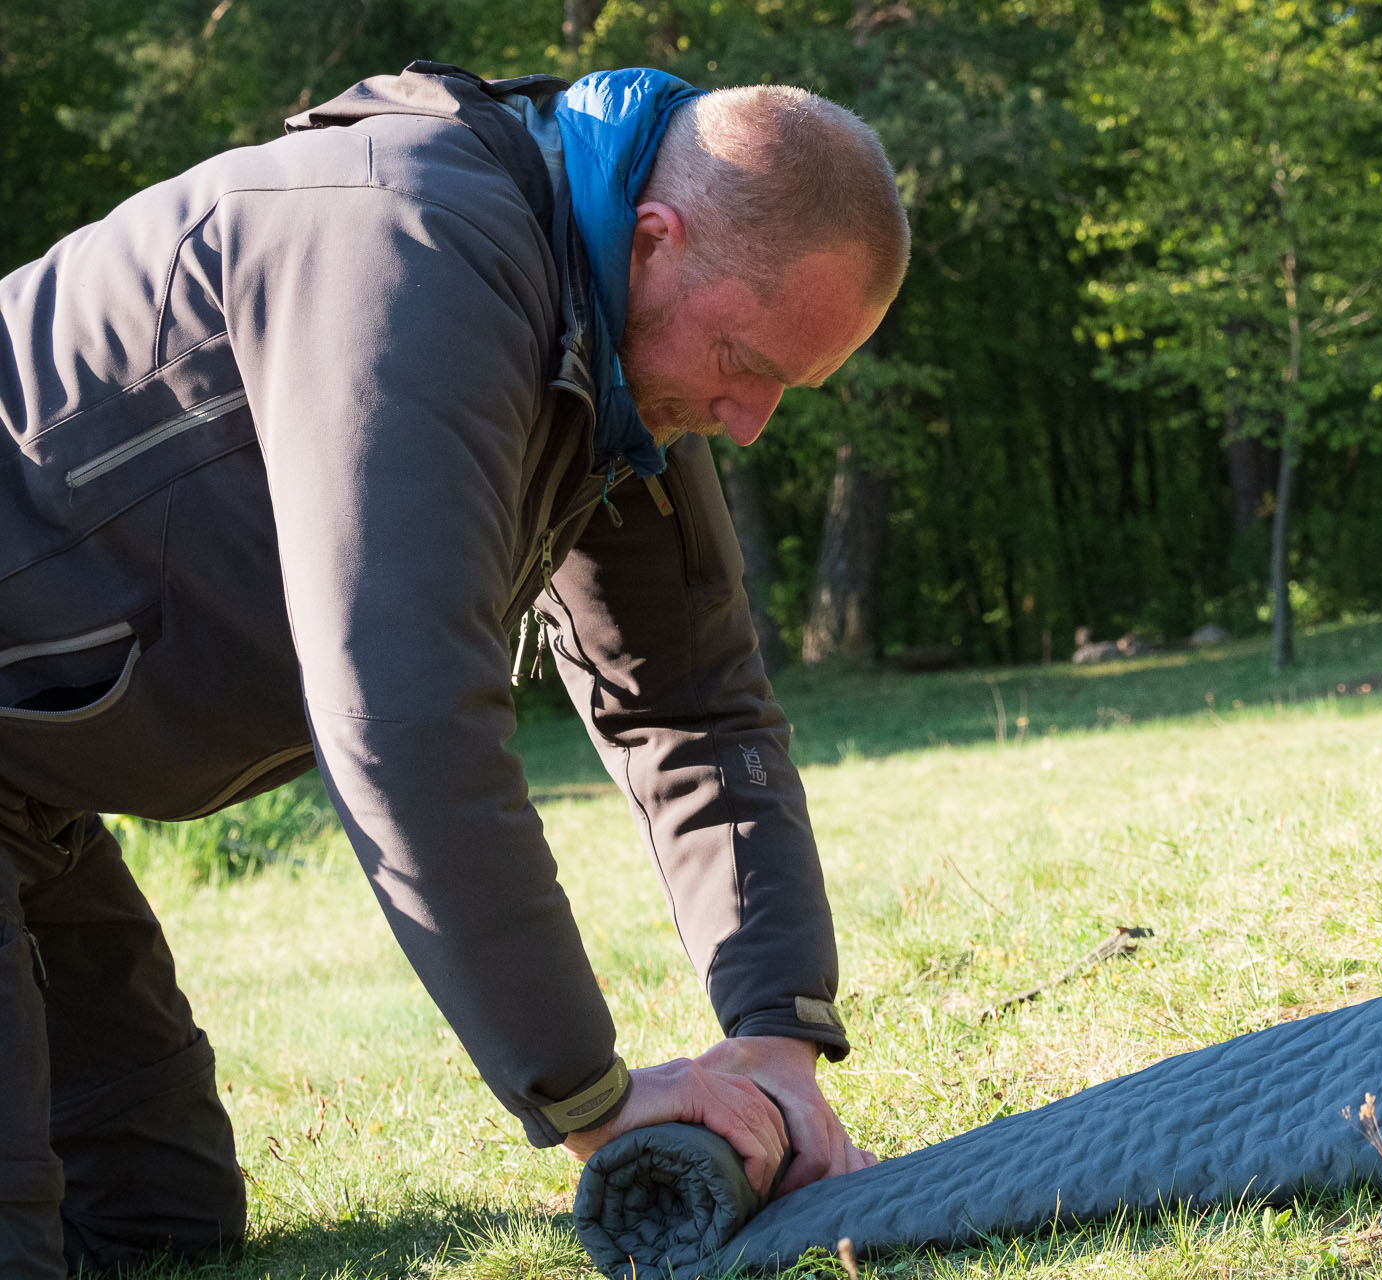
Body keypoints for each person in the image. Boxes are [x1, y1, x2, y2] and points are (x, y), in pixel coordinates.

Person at [0, 59, 908, 1277]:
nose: (751, 421)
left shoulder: (616, 355)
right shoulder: (411, 249)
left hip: (28, 781)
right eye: (750, 363)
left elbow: (693, 704)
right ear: (657, 238)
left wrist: (777, 1034)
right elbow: (407, 715)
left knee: (161, 1225)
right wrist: (595, 1098)